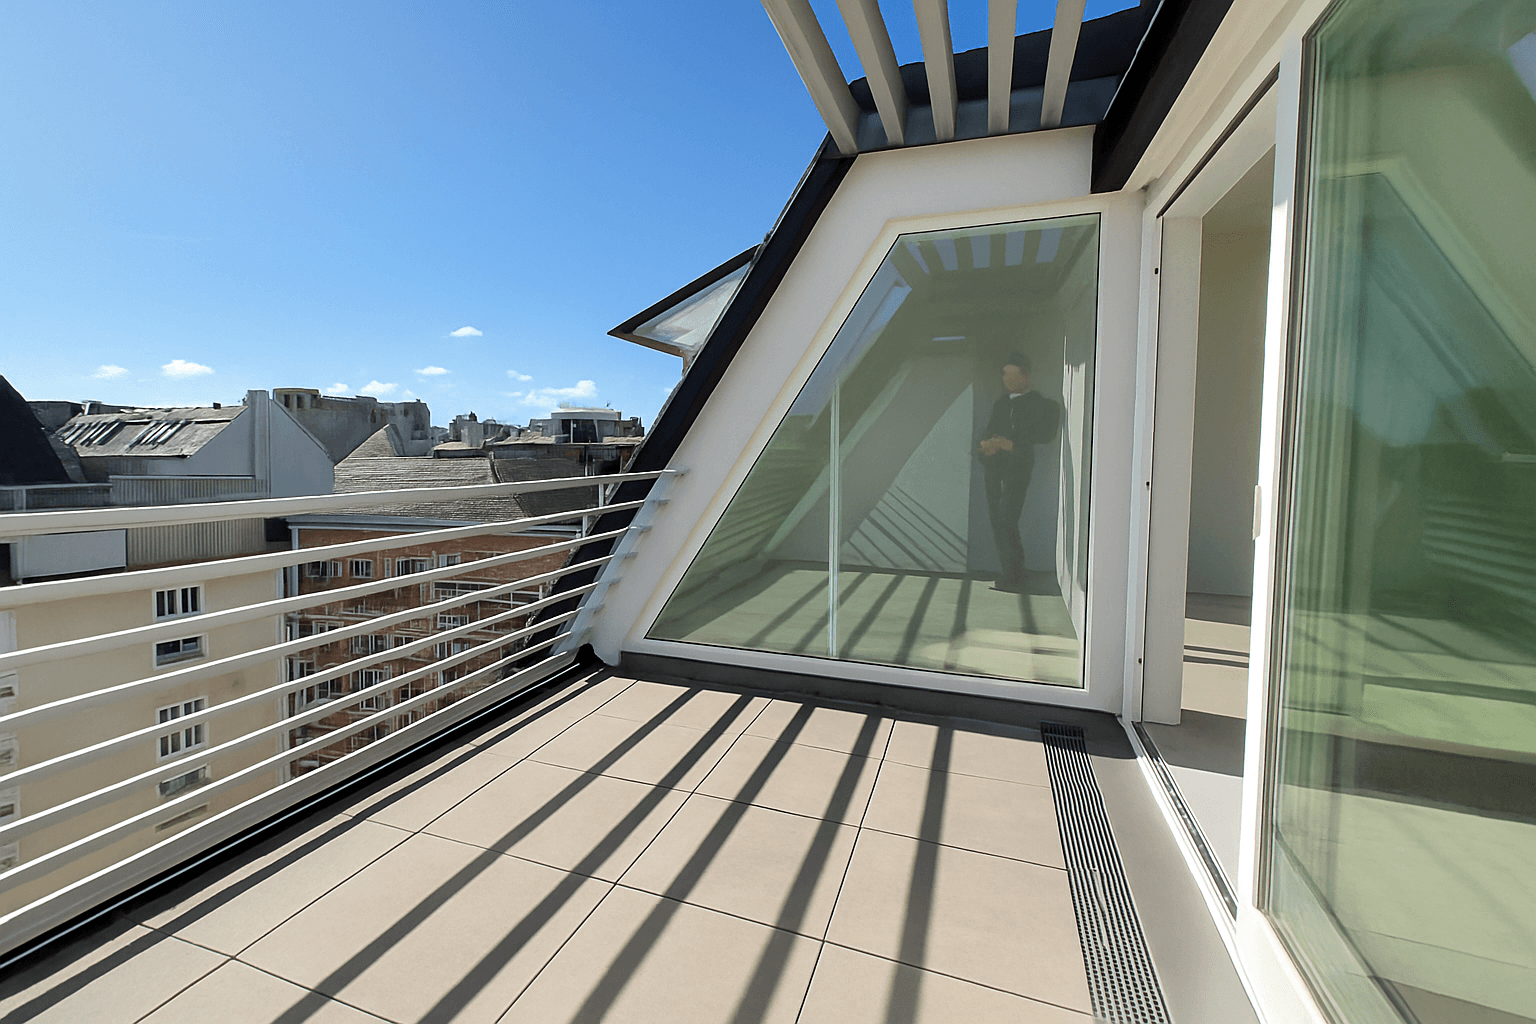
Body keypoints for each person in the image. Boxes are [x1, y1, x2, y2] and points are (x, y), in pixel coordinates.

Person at [977, 352, 1061, 593]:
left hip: (1017, 470)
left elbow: (1041, 436)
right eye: (1005, 375)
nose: (1008, 380)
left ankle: (1014, 575)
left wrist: (1008, 444)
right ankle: (1011, 572)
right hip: (995, 470)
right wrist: (988, 447)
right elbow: (990, 433)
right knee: (998, 521)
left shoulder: (1040, 404)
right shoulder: (1001, 404)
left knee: (1007, 520)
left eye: (1013, 375)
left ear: (1026, 376)